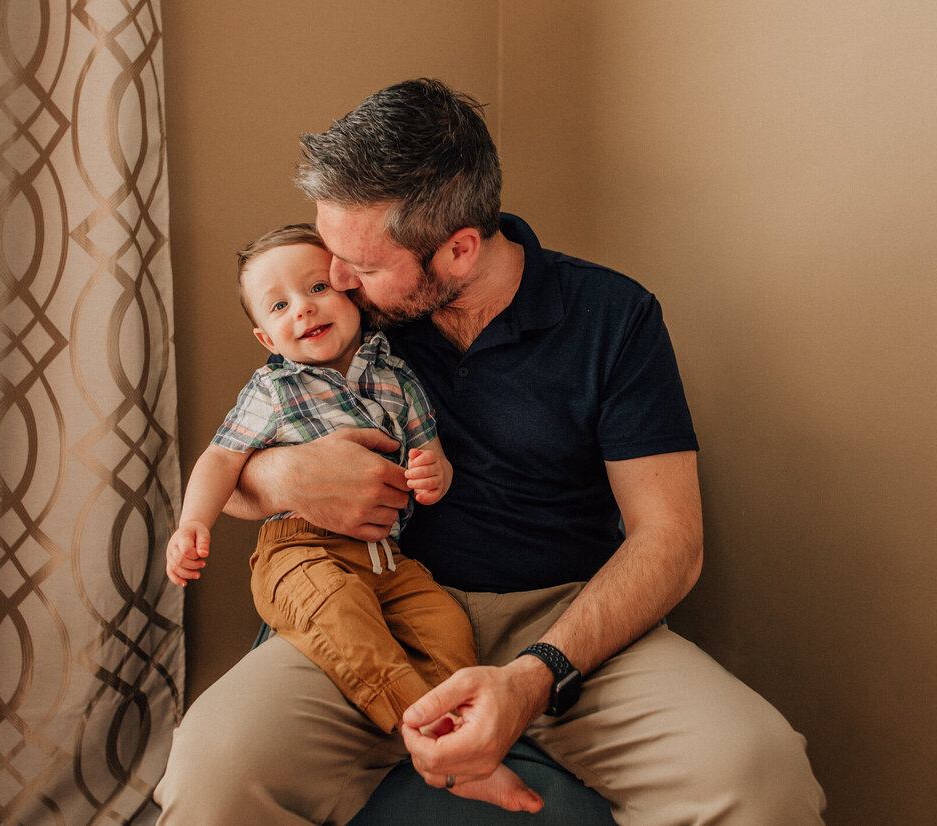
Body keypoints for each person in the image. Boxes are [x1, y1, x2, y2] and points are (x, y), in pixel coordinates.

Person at [155, 79, 827, 824]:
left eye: (361, 265)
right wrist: (286, 474)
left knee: (763, 773)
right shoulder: (348, 325)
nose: (334, 282)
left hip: (570, 619)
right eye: (331, 257)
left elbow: (671, 540)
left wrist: (537, 675)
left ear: (458, 251)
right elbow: (239, 465)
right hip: (381, 604)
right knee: (213, 770)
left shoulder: (613, 317)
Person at [164, 224, 542, 814]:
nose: (305, 308)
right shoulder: (275, 389)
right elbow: (222, 458)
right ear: (266, 334)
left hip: (390, 559)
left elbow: (427, 445)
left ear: (352, 294)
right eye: (282, 305)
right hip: (301, 552)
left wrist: (432, 472)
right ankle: (420, 735)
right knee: (343, 617)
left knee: (444, 625)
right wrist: (194, 523)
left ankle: (457, 734)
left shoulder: (395, 373)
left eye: (318, 286)